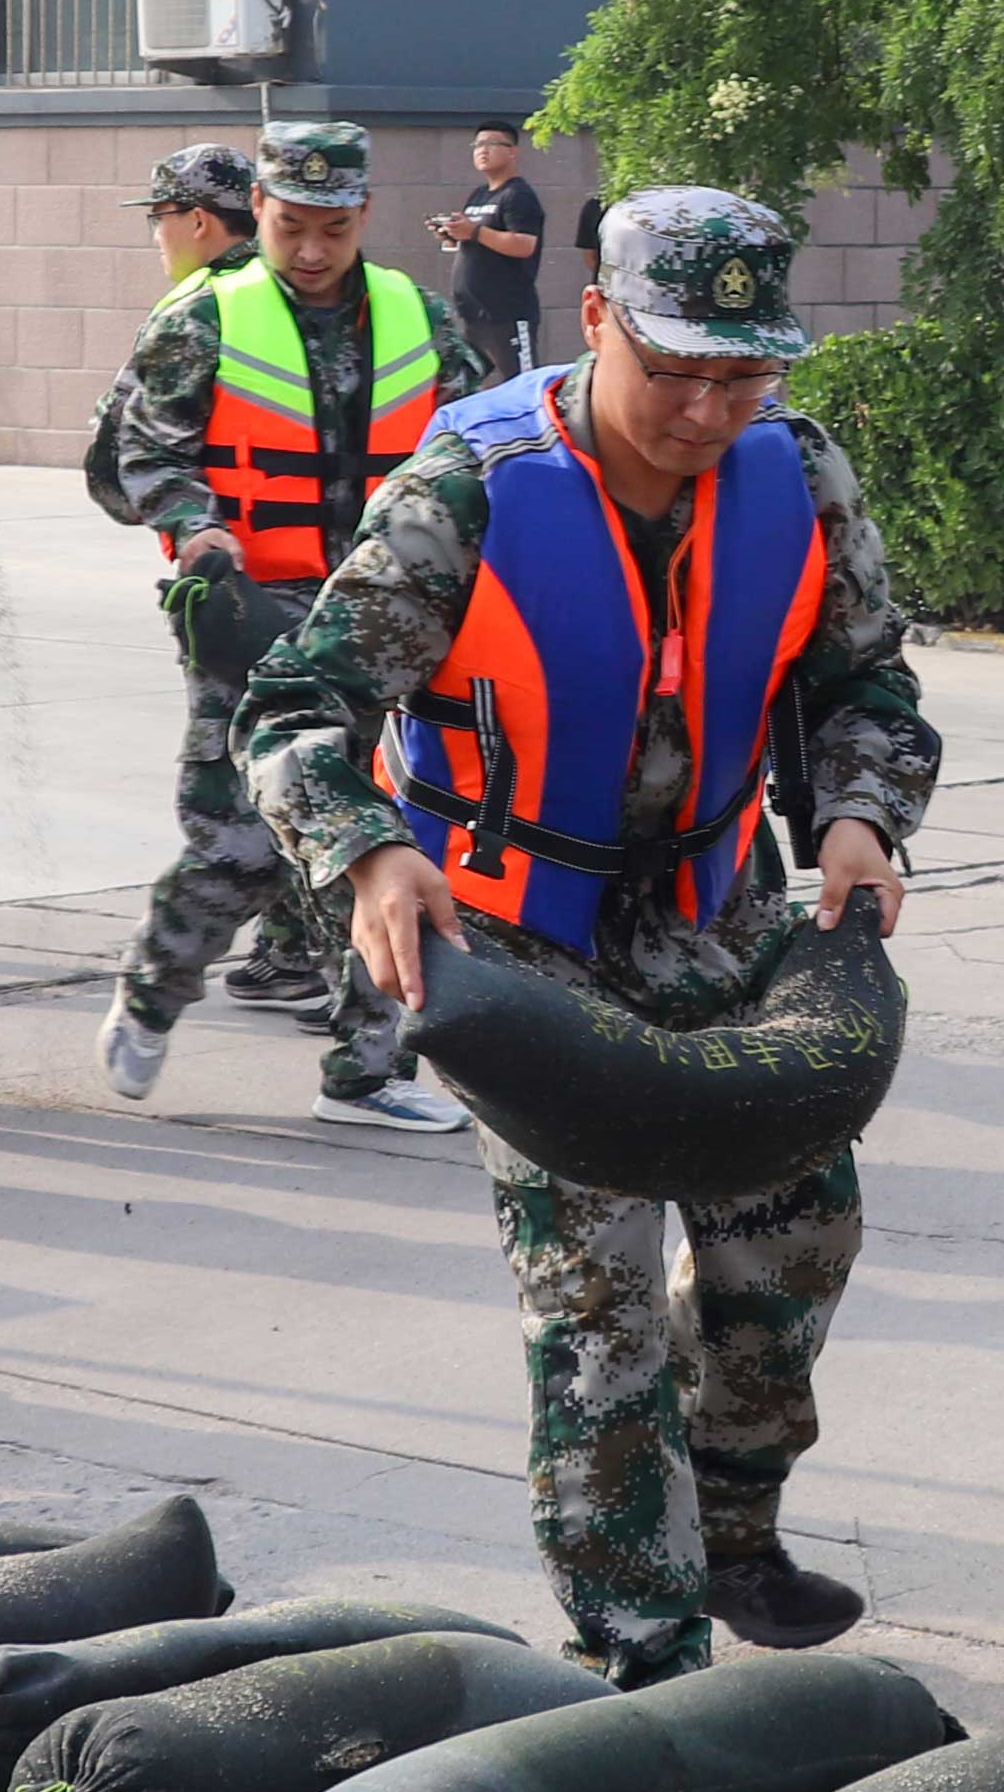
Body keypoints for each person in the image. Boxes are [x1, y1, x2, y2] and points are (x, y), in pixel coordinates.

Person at [245, 185, 937, 1679]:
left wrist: (860, 815)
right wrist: (368, 855)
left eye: (741, 375)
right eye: (674, 368)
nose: (706, 410)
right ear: (597, 321)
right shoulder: (468, 492)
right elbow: (293, 709)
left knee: (792, 1249)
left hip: (721, 910)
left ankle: (731, 1528)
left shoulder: (800, 472)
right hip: (519, 940)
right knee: (599, 1305)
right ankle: (640, 1647)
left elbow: (866, 681)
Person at [98, 126, 465, 1130]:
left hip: (393, 611)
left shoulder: (421, 316)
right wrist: (194, 523)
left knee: (394, 841)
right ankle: (154, 988)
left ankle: (367, 1073)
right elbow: (142, 452)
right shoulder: (204, 316)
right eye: (291, 225)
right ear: (256, 208)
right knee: (243, 846)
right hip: (257, 613)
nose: (310, 249)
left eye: (333, 229)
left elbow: (476, 445)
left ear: (365, 216)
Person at [88, 141, 338, 1029]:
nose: (157, 238)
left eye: (160, 220)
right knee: (332, 765)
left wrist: (191, 522)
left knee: (238, 782)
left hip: (245, 592)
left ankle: (239, 960)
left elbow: (115, 466)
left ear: (196, 220)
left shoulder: (198, 309)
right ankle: (302, 953)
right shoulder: (352, 304)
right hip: (353, 595)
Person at [435, 119, 552, 380]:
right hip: (473, 315)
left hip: (507, 313)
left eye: (491, 144)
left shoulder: (518, 195)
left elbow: (524, 244)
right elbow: (476, 240)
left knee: (520, 385)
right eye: (477, 145)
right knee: (461, 385)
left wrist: (474, 232)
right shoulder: (478, 194)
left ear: (512, 152)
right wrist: (451, 234)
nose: (482, 150)